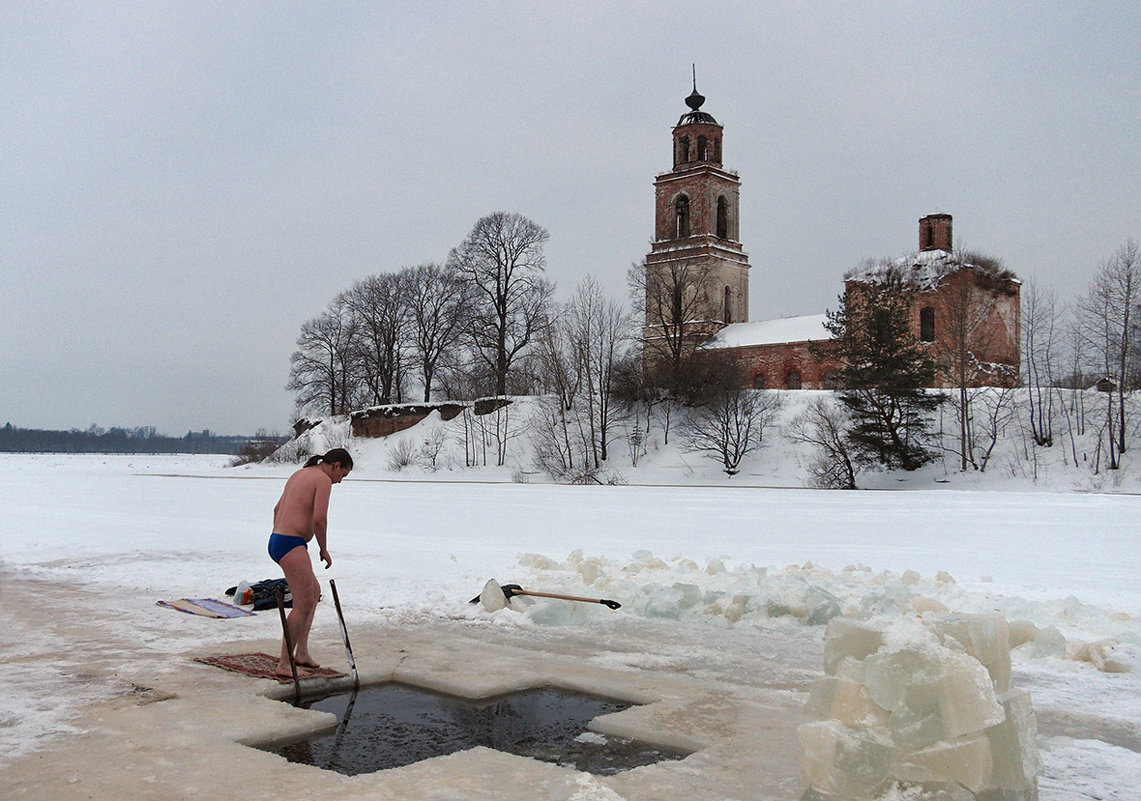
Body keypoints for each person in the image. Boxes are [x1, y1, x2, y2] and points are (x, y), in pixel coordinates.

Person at [268, 447, 353, 678]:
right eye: (342, 475)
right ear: (336, 466)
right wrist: (323, 548)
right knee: (303, 602)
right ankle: (285, 664)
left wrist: (282, 532)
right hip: (290, 542)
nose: (340, 481)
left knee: (313, 592)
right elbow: (319, 518)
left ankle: (302, 652)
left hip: (280, 539)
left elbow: (277, 509)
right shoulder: (322, 480)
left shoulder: (300, 473)